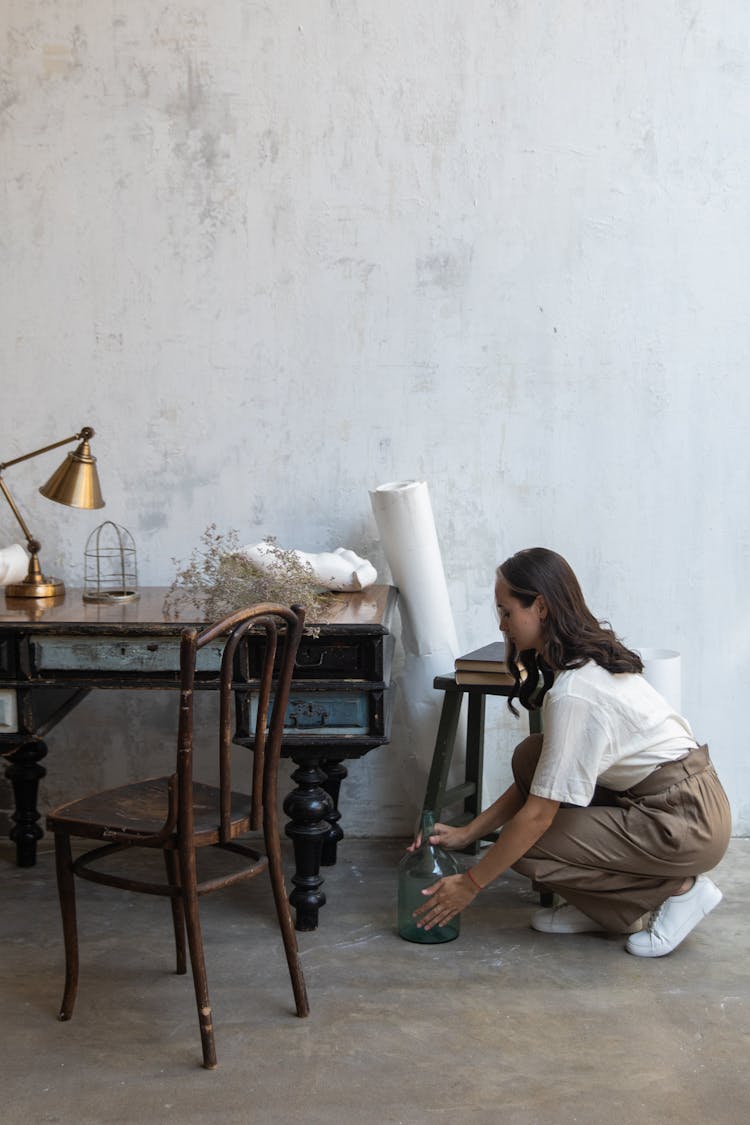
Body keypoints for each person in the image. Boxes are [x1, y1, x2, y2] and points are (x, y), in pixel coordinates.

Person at [413, 547, 731, 957]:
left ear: (540, 607)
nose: (502, 624)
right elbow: (541, 782)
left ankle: (681, 890)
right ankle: (605, 911)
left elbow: (538, 815)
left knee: (526, 846)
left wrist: (470, 884)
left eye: (507, 611)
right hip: (669, 801)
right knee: (533, 756)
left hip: (685, 819)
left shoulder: (574, 693)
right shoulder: (581, 663)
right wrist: (468, 833)